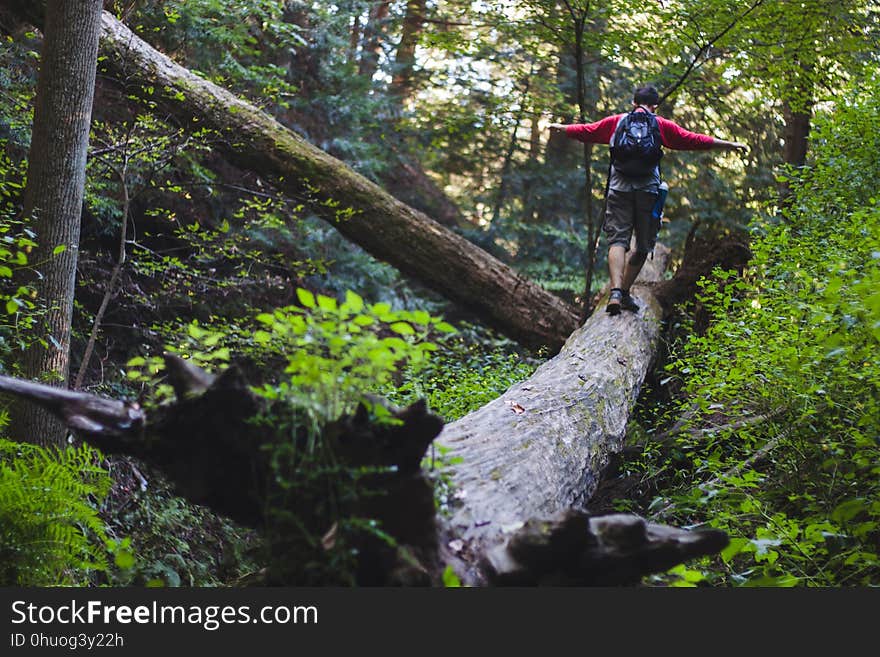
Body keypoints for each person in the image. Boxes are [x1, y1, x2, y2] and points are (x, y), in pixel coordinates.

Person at [548, 85, 747, 315]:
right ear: (654, 107)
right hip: (648, 190)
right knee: (643, 247)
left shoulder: (618, 121)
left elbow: (587, 131)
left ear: (634, 103)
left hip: (619, 187)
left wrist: (561, 128)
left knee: (618, 241)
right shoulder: (660, 125)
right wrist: (729, 144)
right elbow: (693, 140)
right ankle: (624, 292)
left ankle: (614, 292)